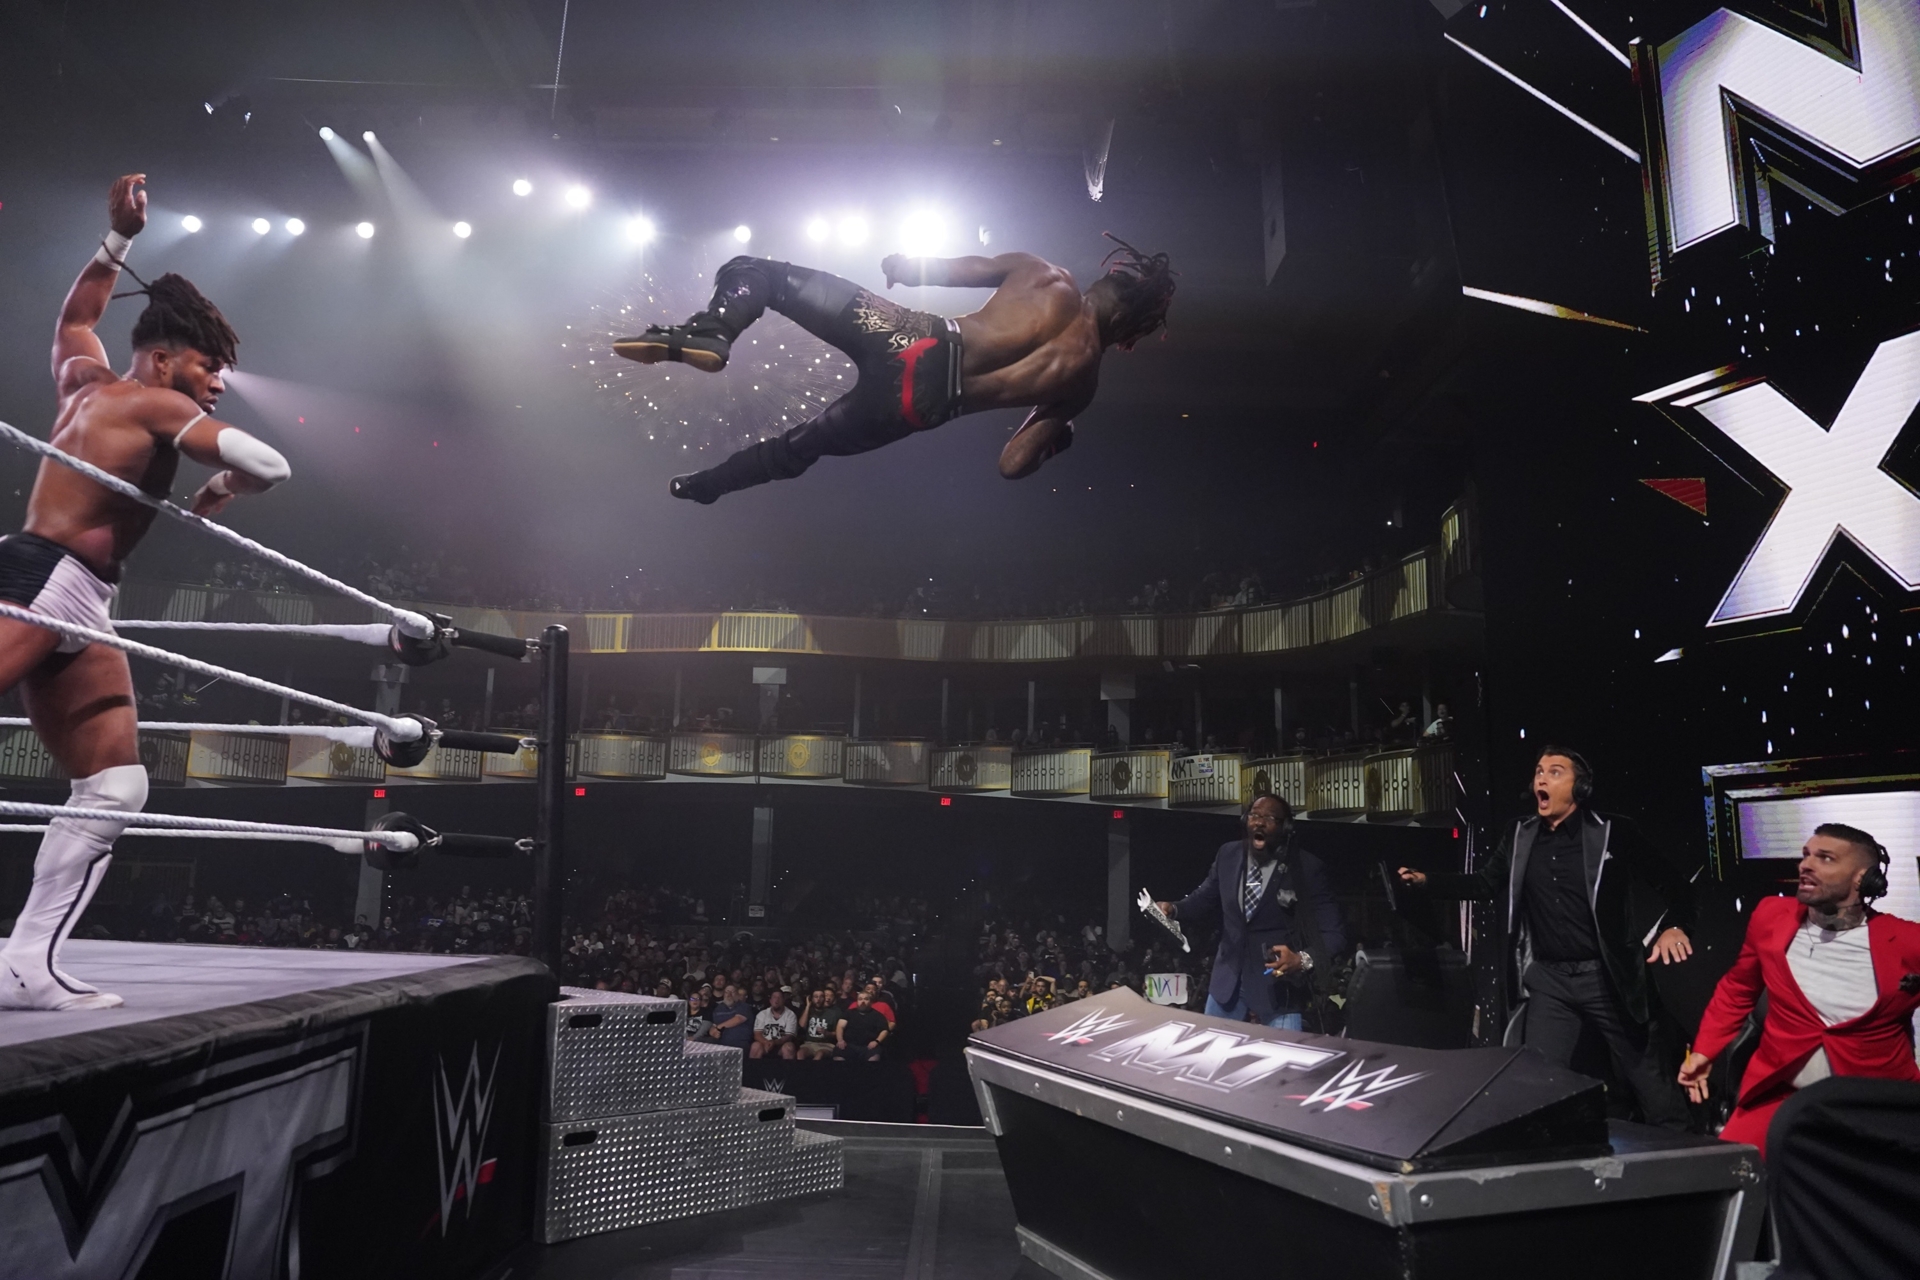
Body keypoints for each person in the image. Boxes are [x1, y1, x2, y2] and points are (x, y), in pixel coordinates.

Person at [0, 174, 289, 1011]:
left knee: (115, 785)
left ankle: (25, 964)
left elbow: (76, 320)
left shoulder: (83, 384)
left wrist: (117, 239)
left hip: (78, 594)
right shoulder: (157, 404)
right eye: (209, 365)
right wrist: (225, 480)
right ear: (165, 359)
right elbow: (271, 464)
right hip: (45, 578)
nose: (219, 384)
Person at [618, 235, 1175, 503]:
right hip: (916, 407)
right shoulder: (1082, 386)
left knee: (758, 273)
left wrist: (905, 267)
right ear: (1129, 327)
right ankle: (709, 485)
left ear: (1106, 282)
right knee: (800, 447)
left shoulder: (1045, 274)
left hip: (913, 338)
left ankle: (713, 331)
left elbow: (949, 271)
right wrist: (1057, 439)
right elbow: (1012, 465)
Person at [1398, 746, 1697, 1127]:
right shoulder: (1519, 834)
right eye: (1539, 771)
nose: (1541, 778)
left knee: (1653, 1089)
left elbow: (1675, 884)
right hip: (1551, 981)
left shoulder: (1613, 831)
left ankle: (1685, 1151)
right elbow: (1485, 884)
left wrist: (1675, 927)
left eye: (1555, 772)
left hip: (1608, 980)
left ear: (1581, 787)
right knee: (1537, 1086)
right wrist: (1427, 882)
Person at [1680, 824, 1920, 1154]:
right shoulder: (1770, 917)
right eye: (1806, 855)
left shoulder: (1906, 941)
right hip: (1782, 1095)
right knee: (1729, 1171)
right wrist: (1705, 1052)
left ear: (1863, 878)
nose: (1806, 865)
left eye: (1825, 858)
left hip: (1873, 1106)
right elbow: (1738, 989)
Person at [1155, 793, 1346, 1031]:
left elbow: (1334, 934)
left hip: (1278, 990)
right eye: (1255, 815)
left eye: (1270, 818)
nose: (1260, 822)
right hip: (1227, 983)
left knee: (1281, 1055)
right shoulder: (1228, 855)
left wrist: (1301, 959)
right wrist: (1174, 909)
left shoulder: (1307, 868)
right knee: (1213, 1051)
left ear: (1285, 827)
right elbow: (1203, 898)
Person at [836, 990, 889, 1061]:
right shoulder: (849, 1013)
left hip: (868, 1046)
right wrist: (840, 1040)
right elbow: (840, 1026)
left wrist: (877, 1041)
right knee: (838, 1057)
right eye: (860, 999)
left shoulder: (878, 1016)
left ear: (870, 1002)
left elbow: (884, 1030)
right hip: (849, 1044)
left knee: (874, 1058)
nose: (863, 1001)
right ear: (857, 1001)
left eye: (866, 999)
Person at [750, 987, 798, 1060]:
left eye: (779, 997)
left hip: (781, 1045)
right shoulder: (762, 1014)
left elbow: (789, 1036)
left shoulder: (790, 1014)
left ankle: (788, 1068)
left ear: (783, 1000)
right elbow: (757, 1034)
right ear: (770, 1000)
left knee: (789, 1047)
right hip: (764, 1043)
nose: (776, 1000)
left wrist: (774, 1042)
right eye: (774, 997)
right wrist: (766, 1042)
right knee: (755, 1046)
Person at [798, 988, 842, 1060]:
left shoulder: (833, 1013)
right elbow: (802, 1025)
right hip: (809, 1043)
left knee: (819, 1054)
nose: (818, 999)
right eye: (816, 997)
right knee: (800, 1053)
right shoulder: (809, 1011)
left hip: (826, 1045)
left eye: (821, 997)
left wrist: (827, 1033)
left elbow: (838, 1032)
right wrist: (808, 1006)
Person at [708, 984, 754, 1050]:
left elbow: (738, 1019)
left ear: (737, 995)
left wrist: (718, 1027)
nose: (729, 995)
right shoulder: (718, 1008)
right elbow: (714, 1025)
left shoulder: (744, 1006)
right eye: (727, 992)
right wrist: (712, 1032)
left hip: (738, 1044)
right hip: (720, 1044)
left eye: (732, 992)